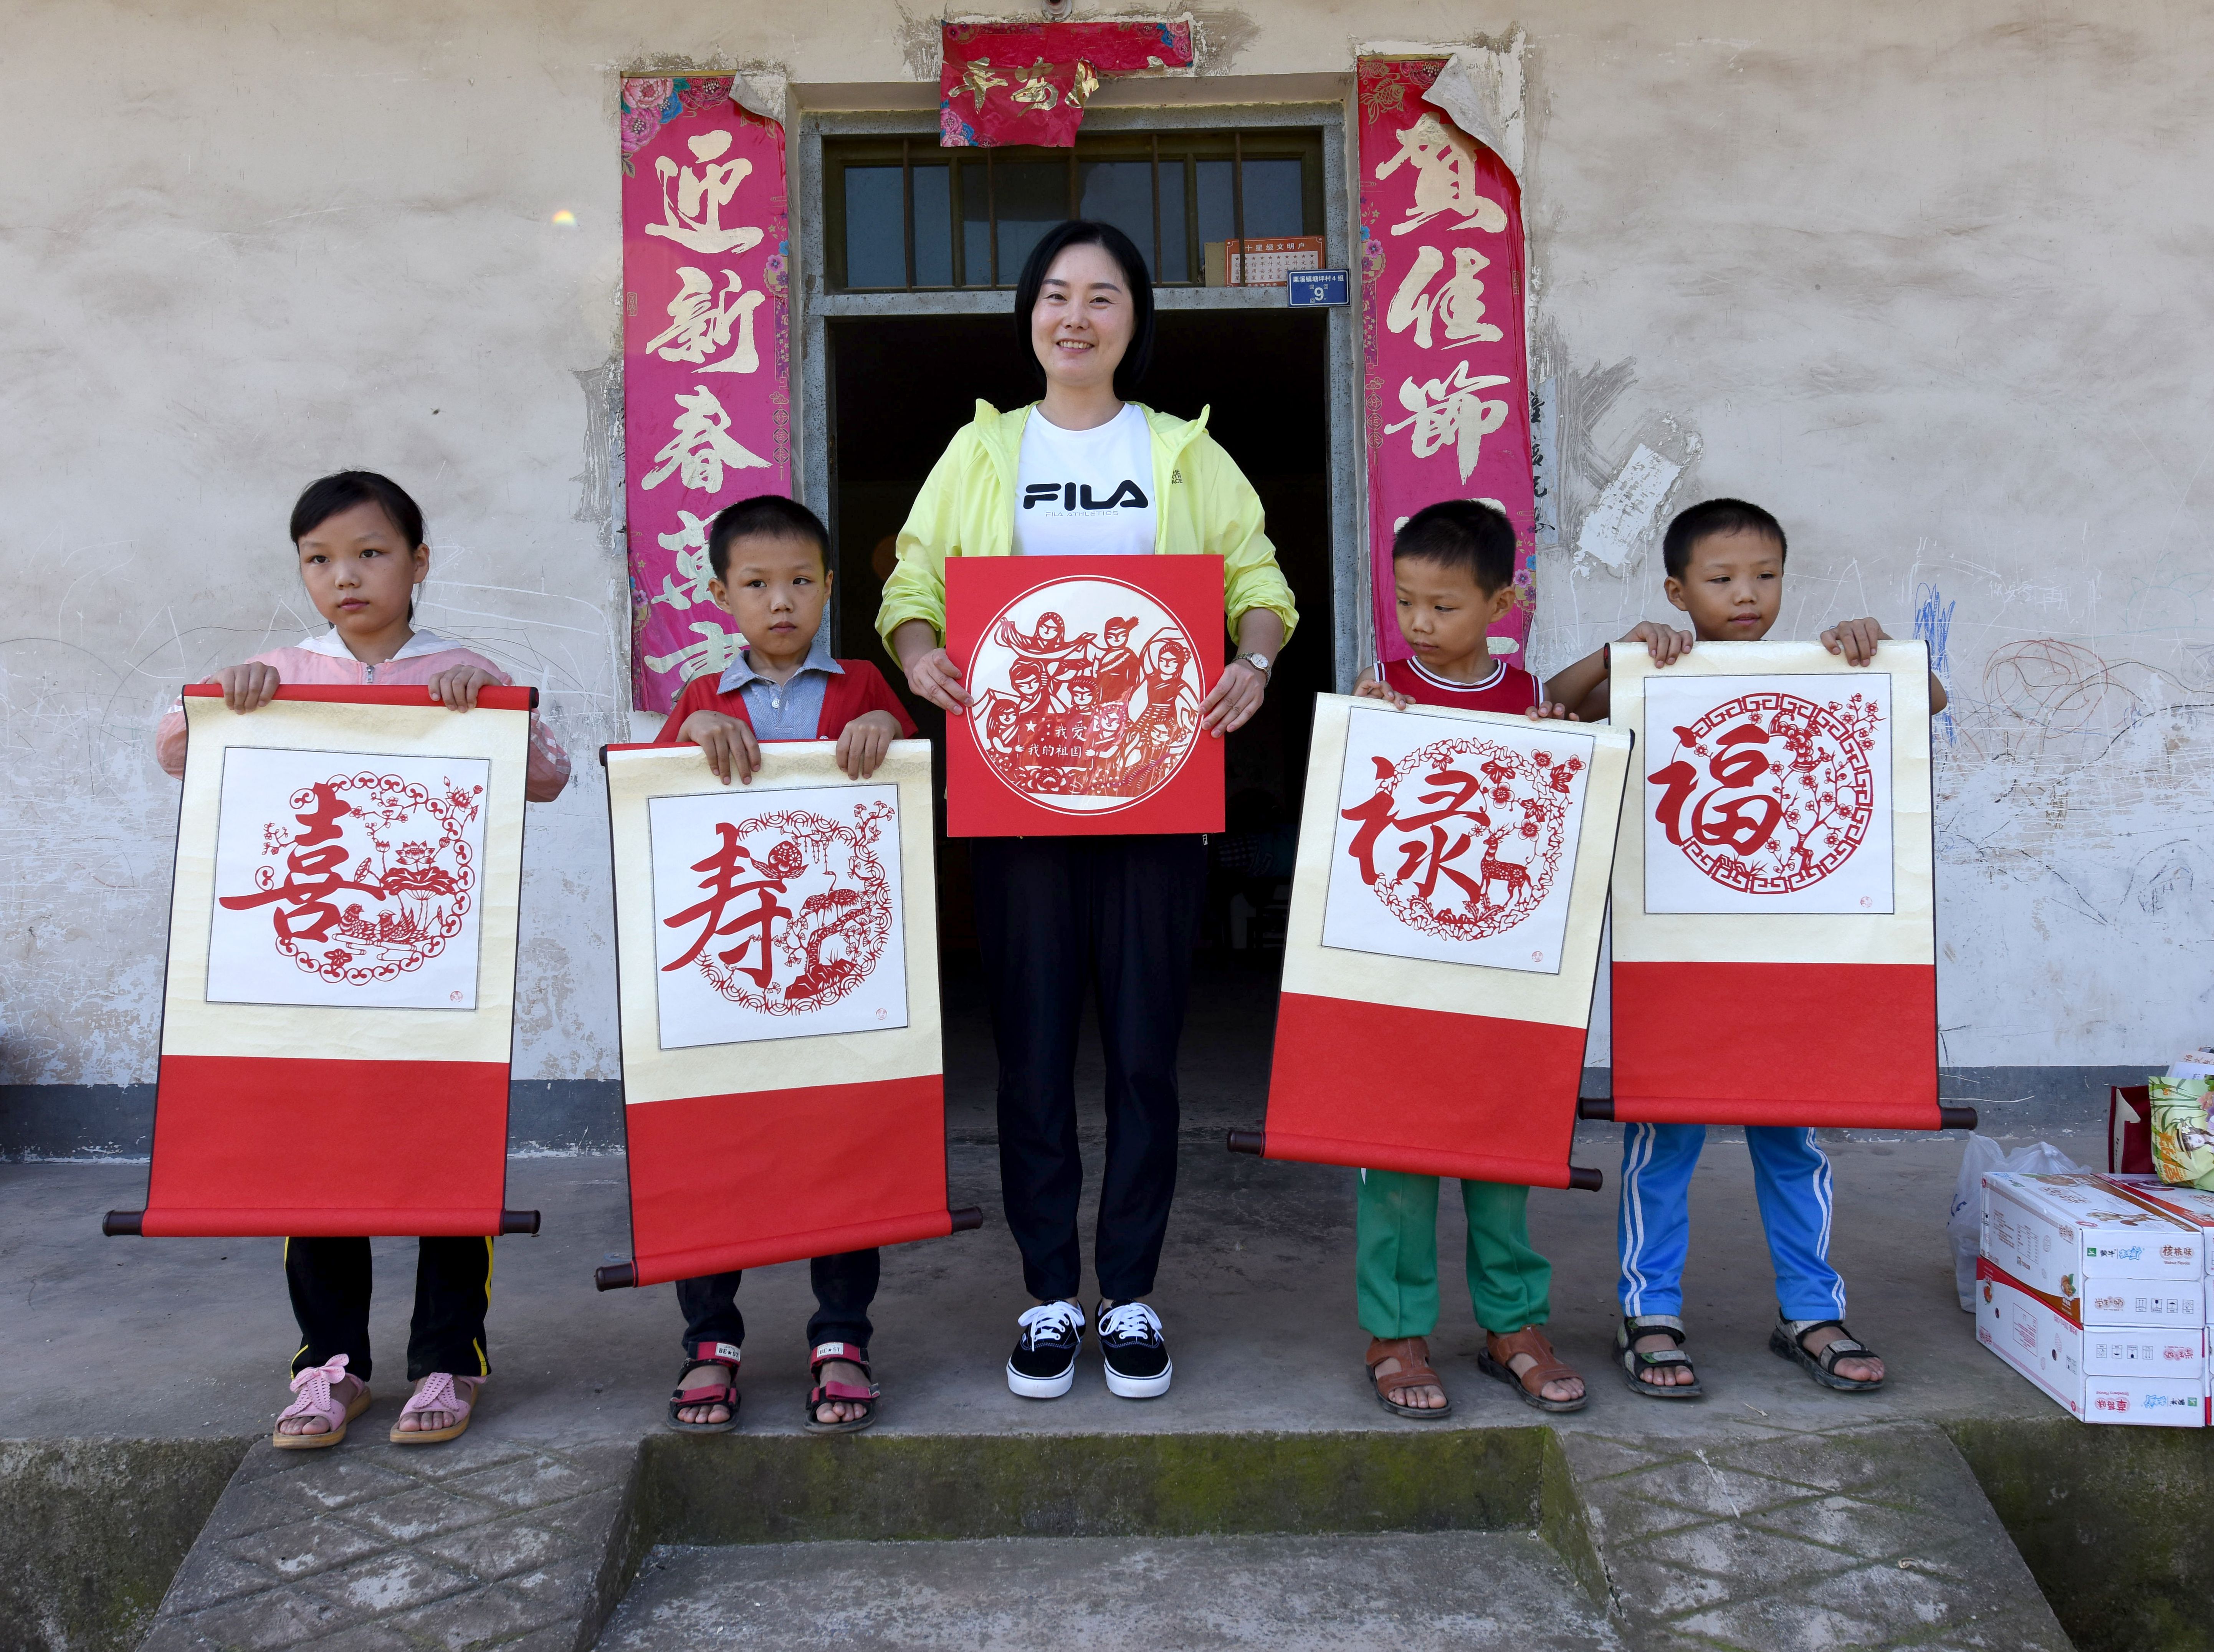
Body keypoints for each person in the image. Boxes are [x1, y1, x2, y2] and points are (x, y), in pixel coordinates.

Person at [877, 219, 1298, 1401]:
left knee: (1147, 1054)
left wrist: (1253, 660)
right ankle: (1051, 1297)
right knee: (1032, 1052)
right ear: (1030, 315)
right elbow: (913, 582)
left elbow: (1260, 578)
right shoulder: (982, 451)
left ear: (1134, 320)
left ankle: (1133, 1295)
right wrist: (918, 654)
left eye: (1102, 297)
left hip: (1161, 792)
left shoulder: (1181, 452)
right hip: (1018, 795)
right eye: (1056, 295)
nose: (1076, 316)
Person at [154, 470, 572, 1448]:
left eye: (370, 554)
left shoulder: (459, 669)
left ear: (418, 564)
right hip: (307, 982)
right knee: (318, 1162)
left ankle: (450, 1359)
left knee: (447, 1159)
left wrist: (491, 708)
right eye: (320, 559)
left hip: (436, 979)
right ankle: (329, 1364)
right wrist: (225, 698)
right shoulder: (279, 672)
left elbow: (549, 774)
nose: (345, 577)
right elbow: (177, 747)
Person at [1544, 496, 1949, 1397]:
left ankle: (1810, 1309)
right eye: (1721, 578)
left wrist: (1879, 648)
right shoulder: (1652, 673)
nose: (1746, 594)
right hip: (1675, 966)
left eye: (1765, 576)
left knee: (1792, 1141)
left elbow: (1928, 697)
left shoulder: (1820, 670)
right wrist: (1618, 652)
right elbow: (1554, 707)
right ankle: (1648, 1311)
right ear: (1676, 591)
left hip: (1789, 965)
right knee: (1662, 1141)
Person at [652, 494, 917, 1434]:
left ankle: (841, 1336)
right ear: (720, 594)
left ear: (830, 588)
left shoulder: (863, 684)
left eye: (801, 581)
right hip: (727, 973)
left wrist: (888, 731)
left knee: (842, 1146)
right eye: (757, 583)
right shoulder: (701, 700)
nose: (780, 601)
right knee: (712, 1149)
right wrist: (686, 741)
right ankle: (710, 1342)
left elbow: (911, 785)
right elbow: (651, 803)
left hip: (833, 972)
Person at [1347, 499, 1588, 1417]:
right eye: (1405, 601)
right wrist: (1361, 729)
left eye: (1443, 606)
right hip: (1399, 974)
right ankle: (1395, 1331)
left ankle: (1513, 1324)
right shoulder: (1380, 691)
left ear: (1501, 603)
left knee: (1502, 1154)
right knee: (1395, 1161)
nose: (1418, 623)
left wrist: (1558, 746)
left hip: (1498, 975)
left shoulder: (1530, 701)